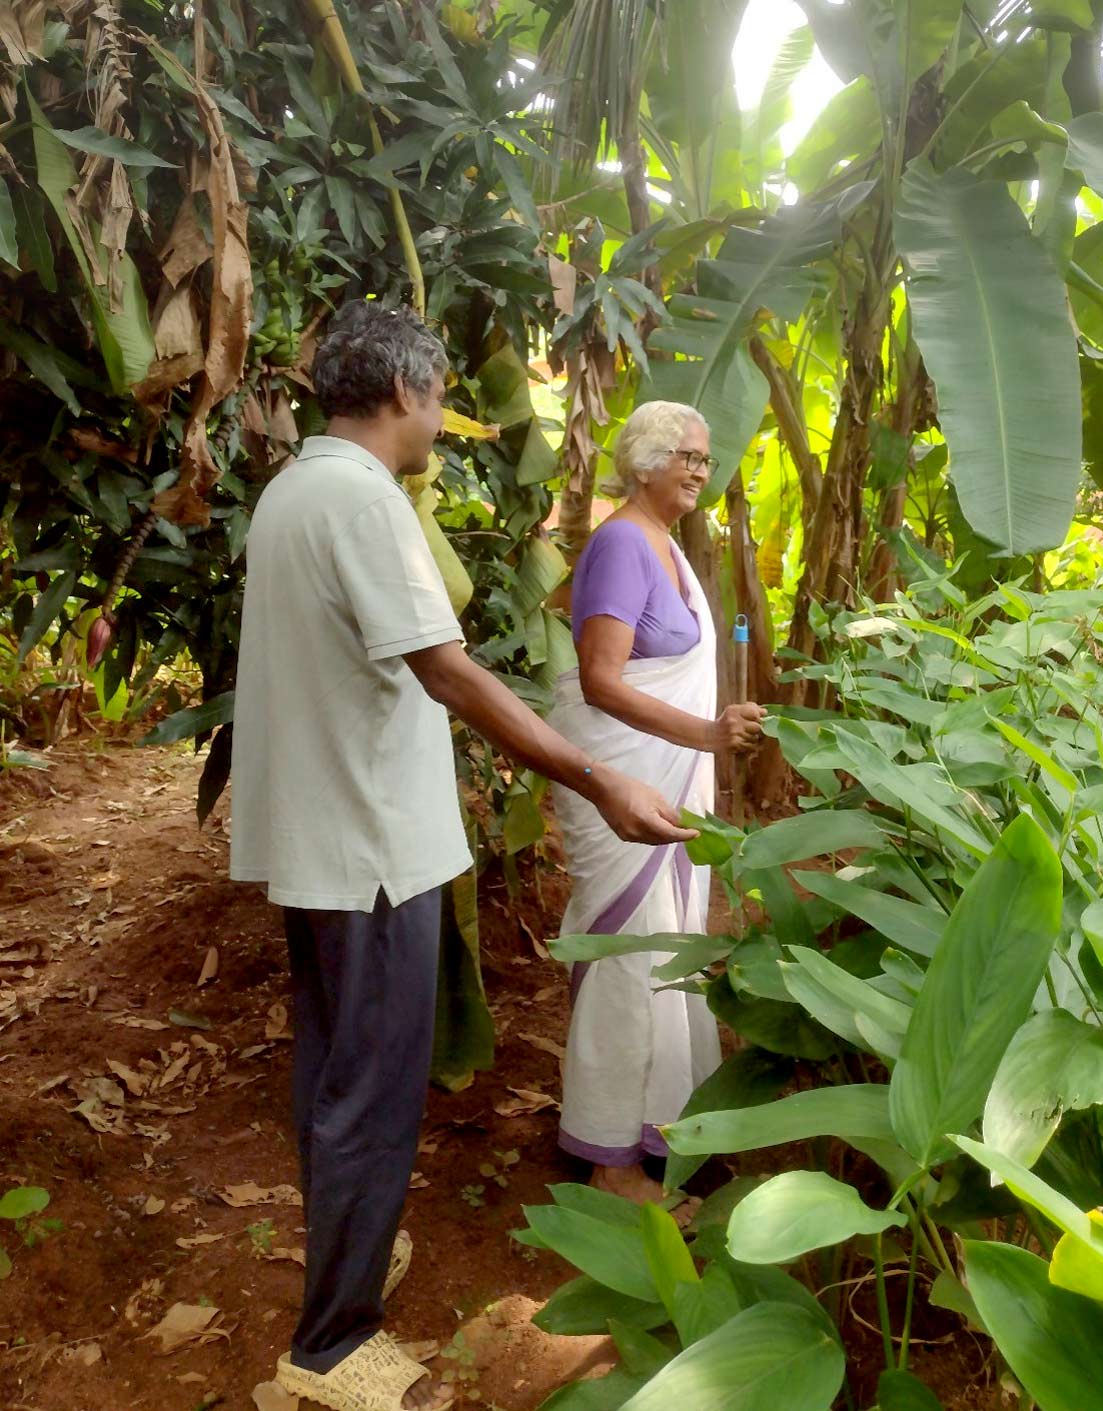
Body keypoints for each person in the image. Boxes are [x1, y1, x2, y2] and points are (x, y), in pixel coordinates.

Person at [229, 302, 695, 1411]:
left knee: (335, 1072)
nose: (441, 418)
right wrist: (598, 777)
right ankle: (334, 1349)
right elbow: (448, 670)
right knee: (369, 1091)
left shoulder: (295, 489)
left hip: (323, 836)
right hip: (371, 847)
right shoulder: (363, 499)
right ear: (403, 392)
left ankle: (353, 1247)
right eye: (436, 397)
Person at [550, 400, 766, 1209]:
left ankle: (658, 1125)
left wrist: (713, 734)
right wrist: (708, 733)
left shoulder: (667, 545)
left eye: (706, 459)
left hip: (668, 777)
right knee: (626, 957)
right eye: (688, 455)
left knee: (665, 950)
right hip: (626, 783)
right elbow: (602, 681)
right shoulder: (618, 544)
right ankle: (608, 1159)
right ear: (645, 460)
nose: (701, 471)